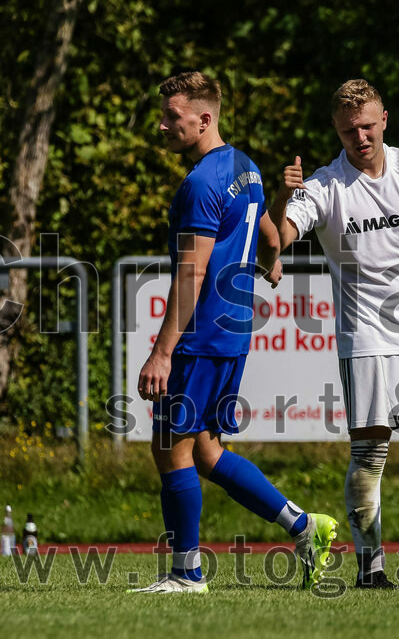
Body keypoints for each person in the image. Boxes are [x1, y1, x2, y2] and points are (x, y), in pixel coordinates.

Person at [133, 71, 338, 594]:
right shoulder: (245, 167)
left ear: (204, 119)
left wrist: (161, 353)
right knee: (205, 449)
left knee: (170, 446)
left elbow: (192, 272)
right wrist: (269, 261)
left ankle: (186, 573)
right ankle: (304, 525)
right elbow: (270, 233)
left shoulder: (201, 181)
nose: (162, 126)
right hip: (233, 331)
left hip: (201, 335)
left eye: (172, 117)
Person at [270, 79, 399, 588]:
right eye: (347, 130)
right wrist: (280, 198)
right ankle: (371, 567)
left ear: (384, 119)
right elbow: (280, 239)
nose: (360, 137)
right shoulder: (323, 186)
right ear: (336, 132)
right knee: (371, 452)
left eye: (366, 125)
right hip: (366, 337)